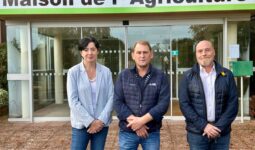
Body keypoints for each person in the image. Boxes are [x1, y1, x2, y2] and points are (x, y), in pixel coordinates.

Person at [179, 40, 238, 150]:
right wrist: (204, 126)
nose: (203, 54)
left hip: (221, 133)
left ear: (214, 52)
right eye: (200, 51)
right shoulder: (187, 76)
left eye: (207, 50)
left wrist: (218, 128)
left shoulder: (227, 75)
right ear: (196, 54)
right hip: (197, 134)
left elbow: (233, 105)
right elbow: (184, 105)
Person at [114, 40, 170, 150]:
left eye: (145, 52)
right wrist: (136, 123)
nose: (142, 56)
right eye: (139, 52)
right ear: (133, 55)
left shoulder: (160, 76)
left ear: (151, 54)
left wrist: (141, 121)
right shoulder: (123, 75)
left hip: (151, 132)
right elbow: (117, 101)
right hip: (128, 132)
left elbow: (163, 104)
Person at [67, 36, 114, 150]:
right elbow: (73, 101)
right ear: (81, 52)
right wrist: (90, 122)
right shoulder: (73, 72)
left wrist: (100, 121)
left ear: (97, 51)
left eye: (93, 49)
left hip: (101, 124)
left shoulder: (106, 71)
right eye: (86, 49)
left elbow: (111, 97)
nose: (90, 52)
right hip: (81, 124)